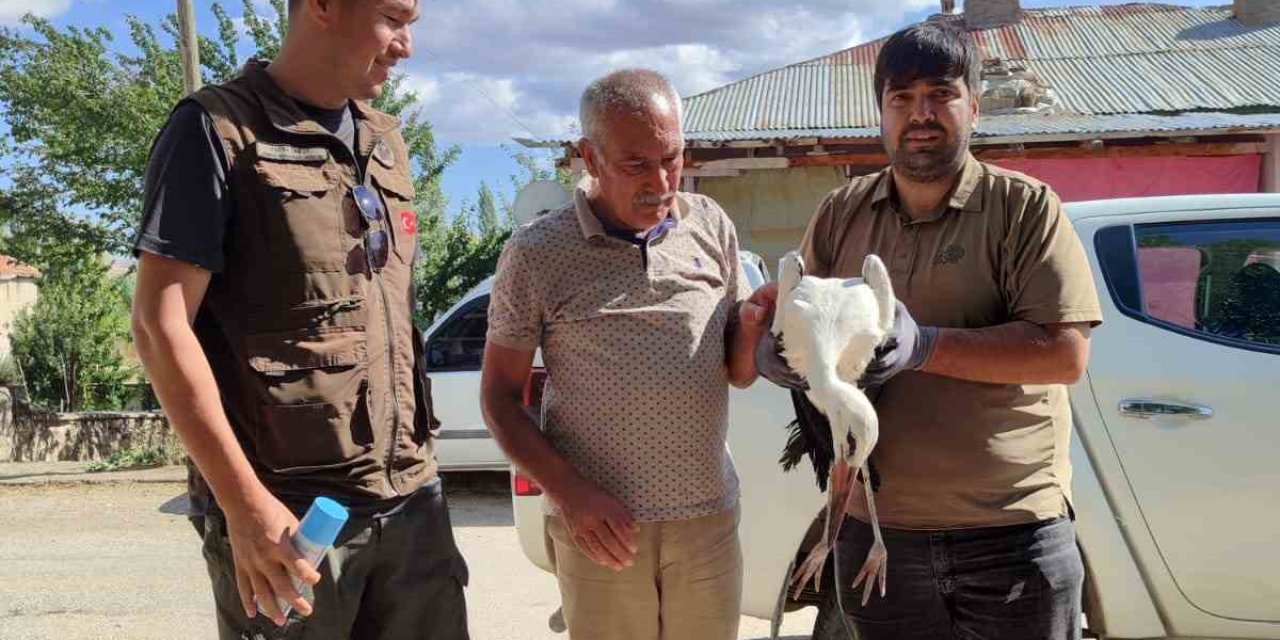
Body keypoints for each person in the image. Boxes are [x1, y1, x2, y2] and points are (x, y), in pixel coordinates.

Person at [131, 1, 470, 638]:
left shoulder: (384, 139)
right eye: (393, 19)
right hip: (289, 515)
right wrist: (243, 506)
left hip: (411, 501)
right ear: (321, 6)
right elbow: (159, 325)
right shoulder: (216, 129)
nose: (406, 46)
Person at [757, 21, 1103, 640]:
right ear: (881, 113)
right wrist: (777, 350)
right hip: (879, 534)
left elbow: (1064, 354)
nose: (921, 115)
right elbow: (791, 309)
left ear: (973, 103)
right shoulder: (841, 213)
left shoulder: (1024, 208)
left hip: (1011, 534)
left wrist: (928, 347)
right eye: (901, 98)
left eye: (940, 94)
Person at [479, 69, 772, 640]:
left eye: (672, 158)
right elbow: (497, 397)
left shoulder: (710, 225)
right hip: (600, 529)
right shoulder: (539, 252)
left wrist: (757, 322)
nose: (660, 182)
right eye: (636, 165)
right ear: (590, 156)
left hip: (707, 520)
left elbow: (737, 373)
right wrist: (570, 494)